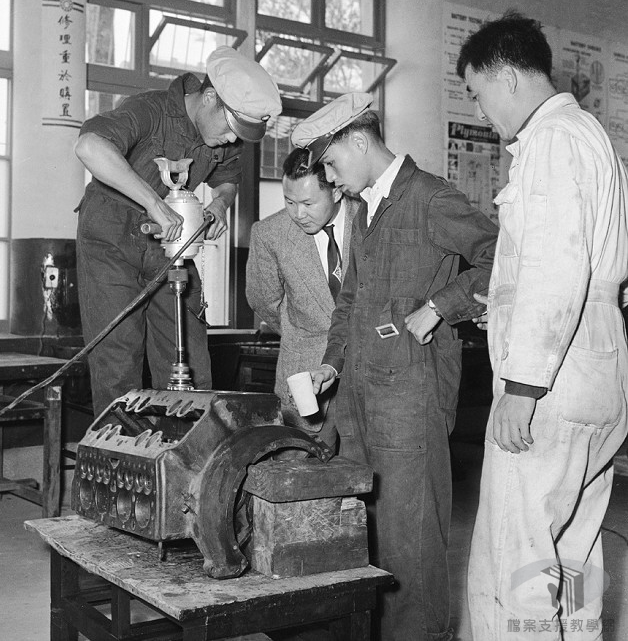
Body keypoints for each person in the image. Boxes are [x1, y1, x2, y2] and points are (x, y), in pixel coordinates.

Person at [297, 92, 498, 641]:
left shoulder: (431, 198)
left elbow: (501, 256)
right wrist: (330, 365)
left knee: (411, 542)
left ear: (360, 141)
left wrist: (442, 306)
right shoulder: (364, 210)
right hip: (357, 400)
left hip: (411, 399)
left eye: (330, 163)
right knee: (363, 539)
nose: (329, 179)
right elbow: (350, 301)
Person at [457, 12, 628, 640]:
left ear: (506, 76)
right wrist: (504, 306)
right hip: (597, 369)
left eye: (476, 92)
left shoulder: (552, 140)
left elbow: (556, 265)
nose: (478, 111)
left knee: (518, 558)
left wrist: (523, 386)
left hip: (551, 385)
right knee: (569, 553)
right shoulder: (590, 136)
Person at [75, 46, 281, 416]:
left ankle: (185, 448)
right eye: (229, 129)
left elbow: (227, 180)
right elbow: (89, 146)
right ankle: (122, 447)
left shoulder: (220, 136)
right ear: (210, 97)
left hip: (169, 244)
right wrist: (152, 202)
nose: (231, 141)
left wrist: (220, 203)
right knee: (117, 364)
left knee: (191, 365)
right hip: (110, 239)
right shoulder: (148, 110)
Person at [246, 147, 360, 453]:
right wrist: (301, 333)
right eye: (289, 201)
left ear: (336, 191)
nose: (298, 214)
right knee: (299, 468)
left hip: (367, 374)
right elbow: (263, 301)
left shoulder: (370, 219)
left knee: (364, 469)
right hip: (304, 375)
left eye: (308, 203)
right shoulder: (269, 234)